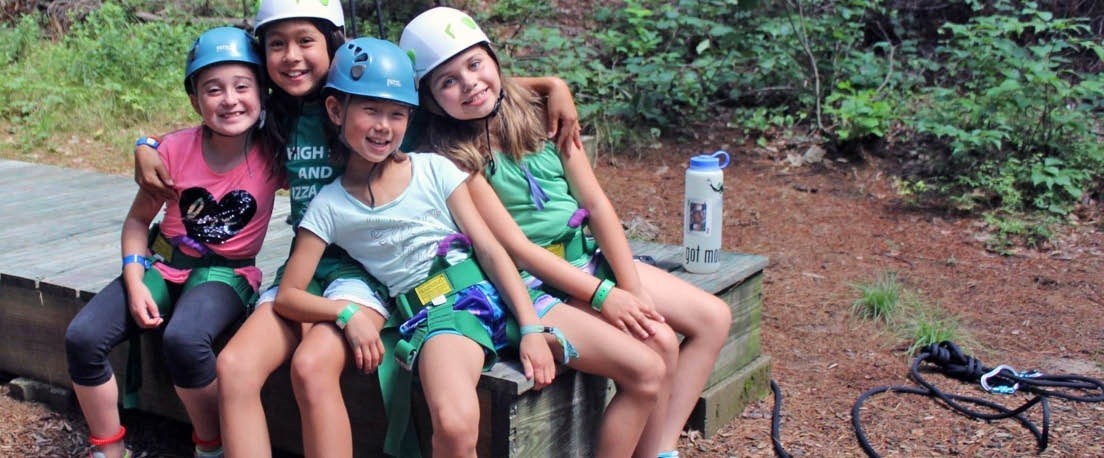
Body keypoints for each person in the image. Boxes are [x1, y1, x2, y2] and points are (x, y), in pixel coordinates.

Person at [402, 7, 733, 458]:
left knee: (714, 318)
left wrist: (632, 287)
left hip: (585, 256)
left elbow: (595, 203)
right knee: (656, 344)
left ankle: (659, 448)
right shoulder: (452, 156)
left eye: (475, 64)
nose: (469, 84)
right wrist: (604, 296)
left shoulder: (543, 116)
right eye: (448, 81)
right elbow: (514, 247)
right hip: (541, 280)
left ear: (495, 60)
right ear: (431, 99)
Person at [275, 36, 564, 457]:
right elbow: (289, 295)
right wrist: (345, 310)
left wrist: (533, 327)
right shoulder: (329, 206)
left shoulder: (434, 168)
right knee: (456, 422)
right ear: (336, 111)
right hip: (442, 312)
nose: (383, 126)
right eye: (371, 110)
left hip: (506, 294)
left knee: (642, 362)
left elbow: (489, 249)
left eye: (397, 114)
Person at [64, 26, 277, 458]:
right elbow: (138, 221)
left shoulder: (274, 151)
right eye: (213, 89)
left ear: (262, 92)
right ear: (196, 101)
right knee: (82, 337)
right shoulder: (176, 150)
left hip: (227, 271)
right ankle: (109, 448)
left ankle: (210, 445)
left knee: (184, 339)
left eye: (242, 86)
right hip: (160, 264)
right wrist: (136, 280)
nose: (230, 99)